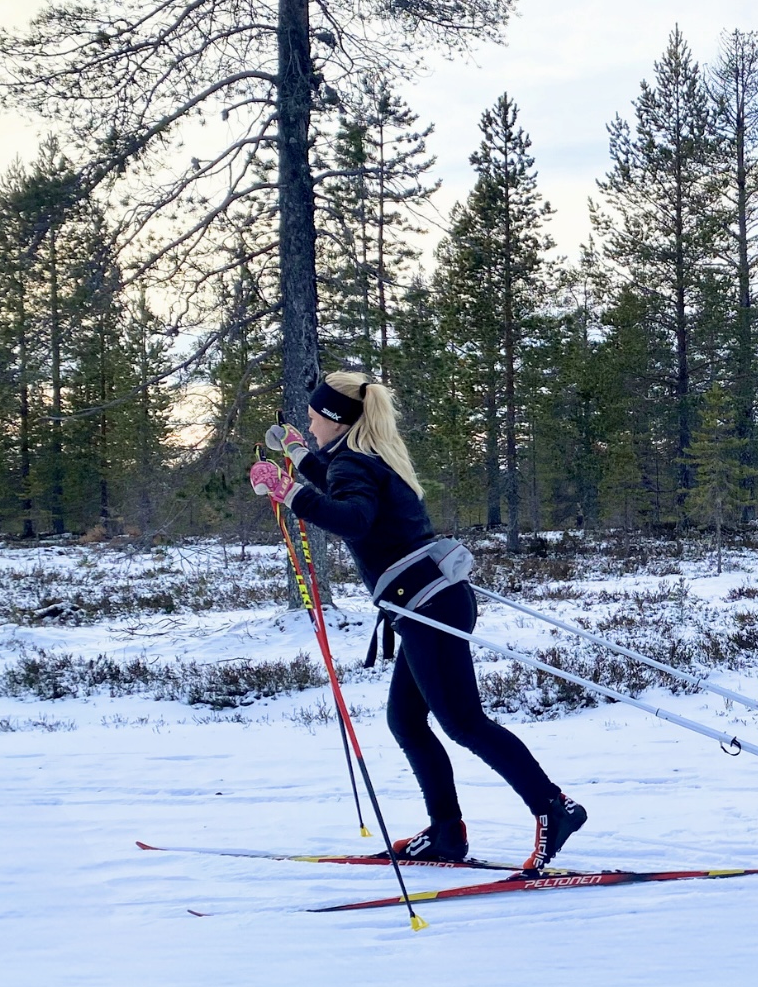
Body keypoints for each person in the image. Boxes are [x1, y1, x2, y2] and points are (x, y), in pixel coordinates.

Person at [249, 371, 587, 871]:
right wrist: (299, 457)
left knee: (464, 723)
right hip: (427, 602)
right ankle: (447, 834)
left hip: (427, 606)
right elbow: (339, 485)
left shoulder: (353, 465)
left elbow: (353, 518)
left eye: (313, 417)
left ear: (336, 418)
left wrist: (288, 492)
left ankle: (553, 808)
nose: (309, 422)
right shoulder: (365, 457)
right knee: (407, 720)